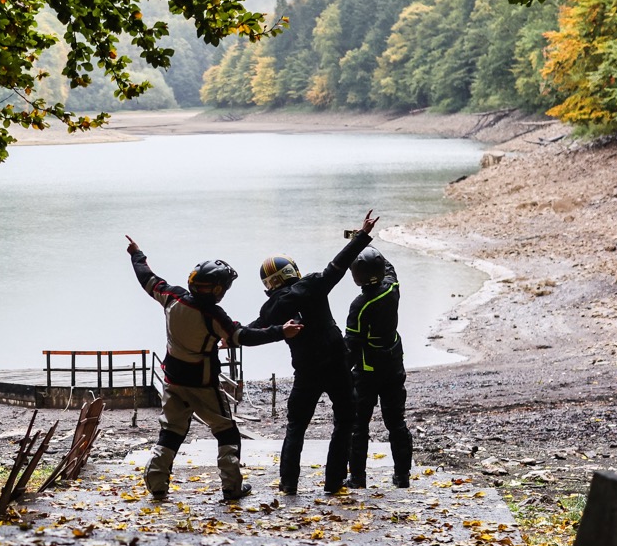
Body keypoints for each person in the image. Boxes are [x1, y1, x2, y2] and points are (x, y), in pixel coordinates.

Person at [126, 235, 301, 502]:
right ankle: (231, 487)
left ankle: (156, 484)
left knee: (171, 432)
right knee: (227, 432)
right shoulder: (215, 316)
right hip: (203, 384)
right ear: (217, 290)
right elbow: (244, 337)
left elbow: (146, 278)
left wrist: (136, 254)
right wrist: (282, 332)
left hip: (172, 379)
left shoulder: (172, 297)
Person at [250, 211, 377, 495]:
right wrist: (363, 235)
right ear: (292, 270)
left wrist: (227, 337)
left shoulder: (272, 308)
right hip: (337, 366)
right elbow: (339, 265)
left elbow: (254, 332)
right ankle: (333, 483)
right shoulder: (313, 285)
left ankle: (288, 484)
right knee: (344, 422)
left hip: (305, 371)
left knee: (296, 426)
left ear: (269, 283)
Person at [344, 246, 412, 489]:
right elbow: (389, 268)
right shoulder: (392, 289)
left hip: (367, 372)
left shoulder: (360, 305)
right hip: (394, 367)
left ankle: (358, 477)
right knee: (396, 422)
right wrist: (365, 244)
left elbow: (351, 346)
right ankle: (402, 476)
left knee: (359, 425)